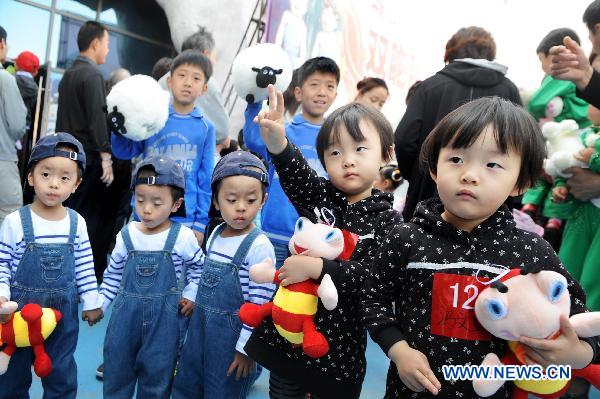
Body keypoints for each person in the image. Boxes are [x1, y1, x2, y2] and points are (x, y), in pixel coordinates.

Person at [361, 97, 599, 398]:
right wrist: (398, 350)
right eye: (456, 159)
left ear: (520, 183)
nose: (470, 175)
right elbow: (373, 300)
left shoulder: (532, 253)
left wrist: (574, 353)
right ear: (434, 168)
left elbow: (582, 322)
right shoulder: (406, 238)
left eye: (493, 164)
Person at [245, 85, 402, 398]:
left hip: (338, 354)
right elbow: (294, 171)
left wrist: (319, 267)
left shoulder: (389, 222)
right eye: (335, 152)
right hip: (288, 340)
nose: (347, 161)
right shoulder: (320, 198)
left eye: (360, 149)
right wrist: (277, 140)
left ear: (385, 154)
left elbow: (375, 279)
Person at [0, 132, 103, 398]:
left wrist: (92, 301)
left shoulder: (76, 223)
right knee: (12, 375)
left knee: (61, 372)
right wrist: (2, 296)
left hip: (63, 314)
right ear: (31, 176)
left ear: (76, 184)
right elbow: (3, 264)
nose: (54, 184)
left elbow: (84, 265)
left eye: (64, 178)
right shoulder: (14, 222)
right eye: (46, 174)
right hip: (19, 314)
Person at [172, 150, 276, 398]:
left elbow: (259, 305)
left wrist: (246, 350)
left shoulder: (259, 246)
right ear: (216, 201)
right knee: (188, 379)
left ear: (263, 200)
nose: (241, 208)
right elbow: (204, 271)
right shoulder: (216, 233)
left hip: (231, 338)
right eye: (231, 200)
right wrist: (193, 294)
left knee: (222, 387)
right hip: (199, 329)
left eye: (251, 201)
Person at [99, 156, 203, 398]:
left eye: (157, 203)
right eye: (140, 200)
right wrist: (101, 304)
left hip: (165, 323)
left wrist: (191, 294)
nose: (146, 209)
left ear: (176, 204)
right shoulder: (127, 233)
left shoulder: (183, 237)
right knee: (116, 374)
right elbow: (113, 273)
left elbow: (200, 269)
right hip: (124, 321)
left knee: (158, 379)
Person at [395, 26, 522, 221]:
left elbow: (405, 139)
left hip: (428, 193)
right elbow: (520, 149)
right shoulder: (509, 90)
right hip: (489, 206)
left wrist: (422, 175)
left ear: (451, 52)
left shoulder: (431, 86)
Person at [111, 50, 216, 245]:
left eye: (196, 78)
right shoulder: (154, 117)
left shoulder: (206, 127)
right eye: (182, 75)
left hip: (184, 217)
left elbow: (205, 178)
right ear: (169, 81)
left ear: (204, 88)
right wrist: (118, 129)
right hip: (145, 211)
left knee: (177, 273)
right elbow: (124, 151)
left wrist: (200, 224)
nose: (187, 82)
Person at [244, 56, 339, 268]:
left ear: (335, 94)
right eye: (314, 84)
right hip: (272, 234)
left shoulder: (336, 140)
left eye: (329, 86)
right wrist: (253, 100)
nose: (322, 92)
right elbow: (253, 140)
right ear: (298, 92)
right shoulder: (282, 129)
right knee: (263, 295)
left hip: (312, 244)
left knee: (296, 301)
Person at [521, 28, 591, 248]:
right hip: (580, 143)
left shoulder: (563, 74)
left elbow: (537, 103)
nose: (542, 68)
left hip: (560, 139)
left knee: (545, 173)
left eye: (541, 61)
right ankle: (554, 221)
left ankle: (529, 210)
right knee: (563, 184)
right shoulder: (585, 77)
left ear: (552, 56)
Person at [56, 20, 113, 280]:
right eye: (107, 44)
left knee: (64, 213)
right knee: (84, 219)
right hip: (86, 158)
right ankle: (77, 276)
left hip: (64, 154)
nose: (108, 50)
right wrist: (105, 156)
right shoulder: (92, 75)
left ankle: (57, 269)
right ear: (95, 43)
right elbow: (97, 120)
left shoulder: (69, 73)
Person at [158, 26, 230, 146]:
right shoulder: (207, 83)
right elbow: (222, 131)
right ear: (206, 55)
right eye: (214, 57)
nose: (188, 83)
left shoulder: (163, 80)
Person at [0, 25, 27, 225]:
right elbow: (18, 125)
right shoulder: (5, 80)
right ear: (2, 44)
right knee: (8, 218)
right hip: (2, 160)